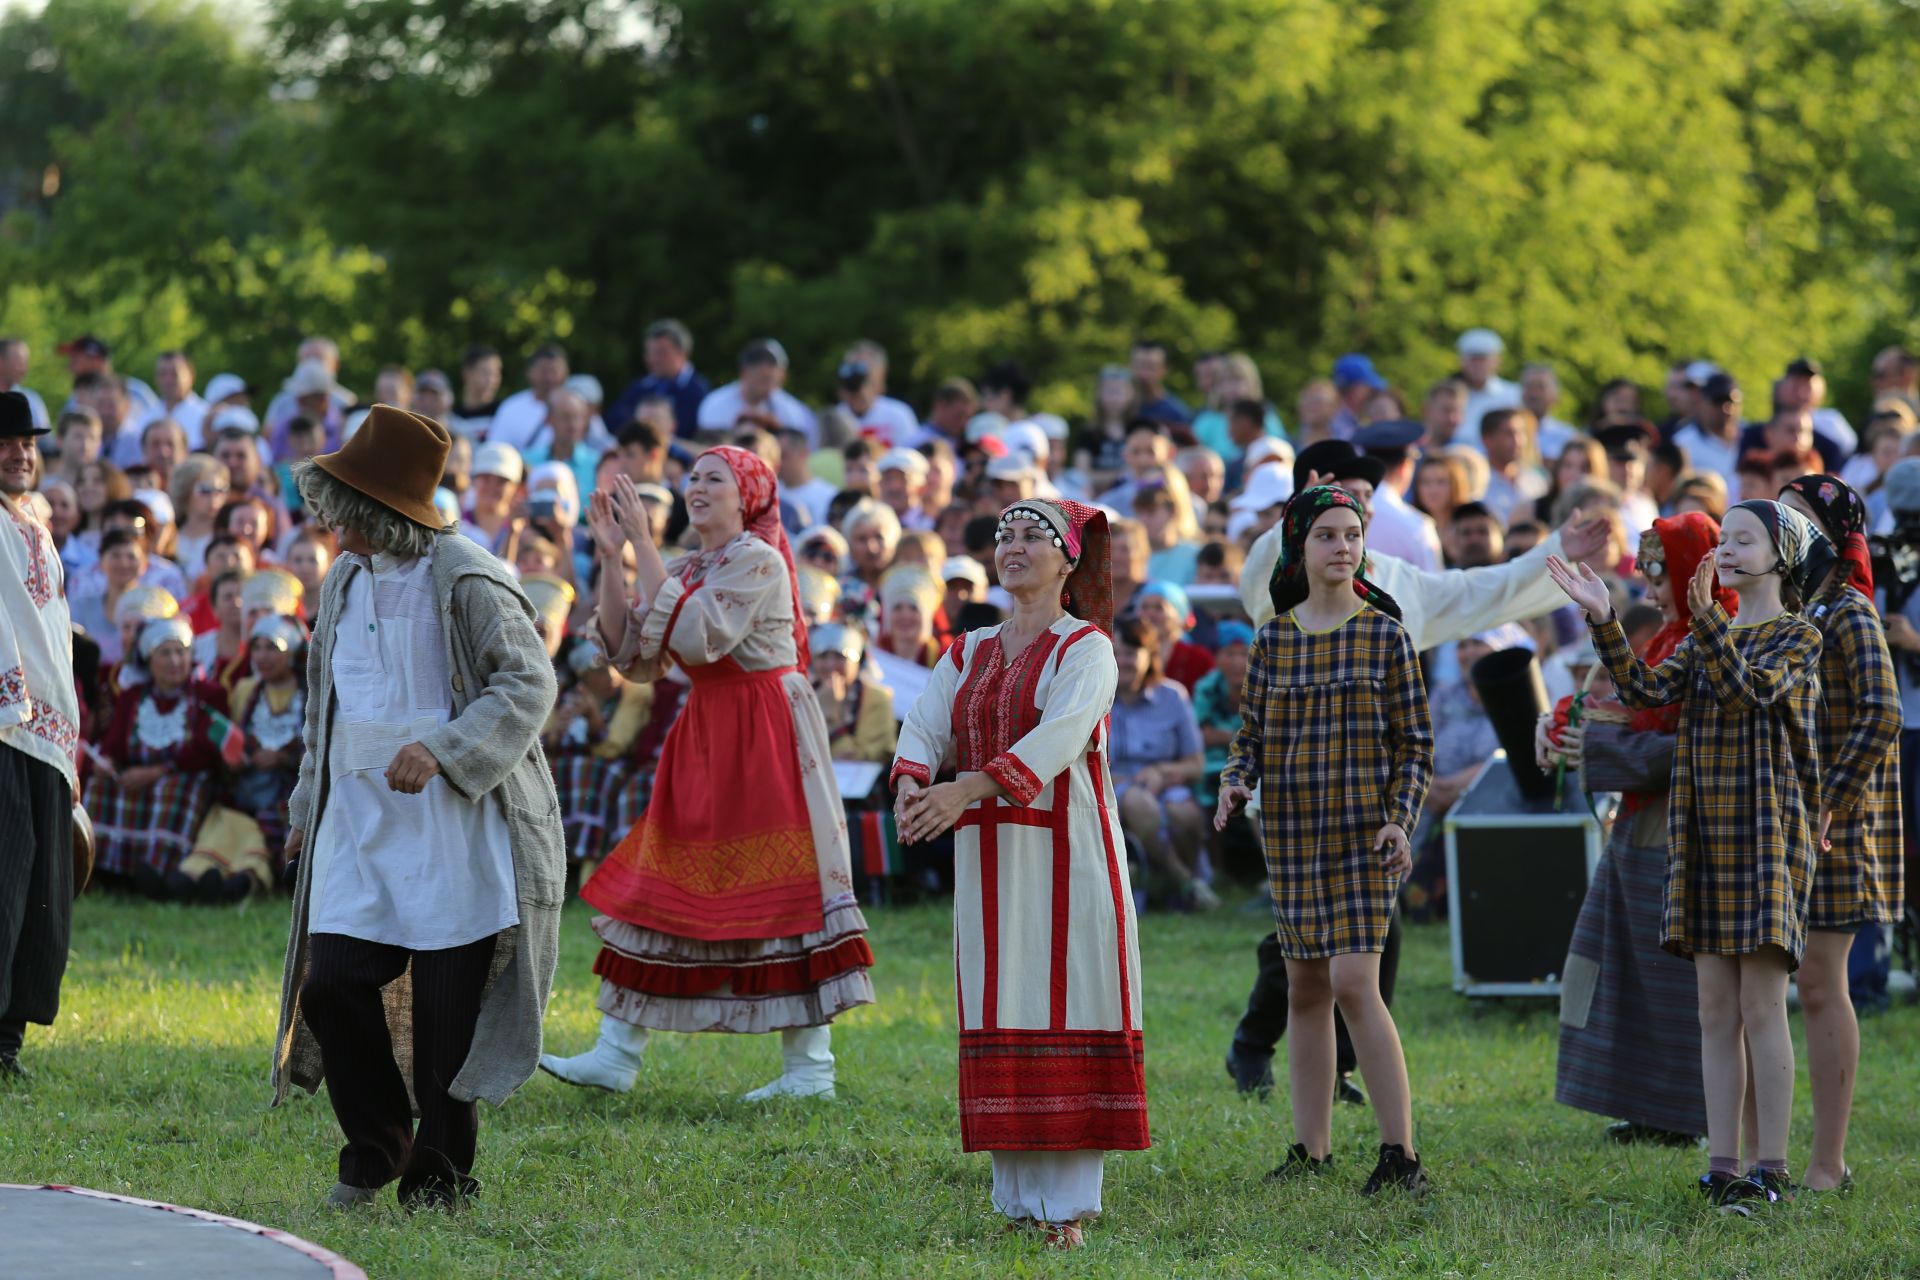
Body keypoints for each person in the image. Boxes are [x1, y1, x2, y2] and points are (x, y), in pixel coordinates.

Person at [1224, 441, 1609, 1097]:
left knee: (1356, 933)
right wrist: (1291, 516)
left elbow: (1482, 590)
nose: (1358, 515)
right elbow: (1260, 577)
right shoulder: (1279, 570)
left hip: (1371, 793)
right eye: (1336, 506)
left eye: (1364, 505)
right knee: (1317, 935)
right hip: (1295, 788)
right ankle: (1265, 1047)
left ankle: (1298, 1057)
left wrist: (1559, 549)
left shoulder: (1396, 582)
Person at [271, 404, 565, 1210]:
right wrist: (306, 803)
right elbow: (322, 708)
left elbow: (528, 683)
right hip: (359, 822)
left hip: (455, 827)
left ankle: (439, 1180)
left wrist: (444, 751)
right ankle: (376, 1147)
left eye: (339, 504)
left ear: (376, 511)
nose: (326, 519)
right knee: (330, 981)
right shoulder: (341, 579)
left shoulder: (468, 576)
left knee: (445, 1017)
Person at [540, 450, 875, 1098]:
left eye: (711, 478)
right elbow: (630, 654)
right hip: (709, 729)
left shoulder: (759, 558)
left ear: (747, 496)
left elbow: (697, 639)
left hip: (766, 727)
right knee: (662, 874)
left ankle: (810, 1071)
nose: (694, 487)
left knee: (785, 885)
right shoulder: (690, 565)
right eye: (690, 477)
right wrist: (614, 558)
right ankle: (616, 1051)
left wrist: (643, 543)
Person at [1549, 499, 1821, 1212]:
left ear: (1781, 555)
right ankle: (1722, 1167)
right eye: (1722, 538)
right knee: (1712, 1008)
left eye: (1744, 539)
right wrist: (1605, 618)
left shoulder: (1798, 637)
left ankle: (1772, 1170)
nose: (1726, 549)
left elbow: (1746, 693)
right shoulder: (1711, 632)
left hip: (1766, 837)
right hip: (1699, 835)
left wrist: (1705, 620)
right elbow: (1642, 691)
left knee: (1763, 1005)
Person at [890, 497, 1147, 1248]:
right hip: (988, 852)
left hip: (1070, 852)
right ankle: (1019, 1199)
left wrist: (963, 788)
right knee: (1003, 993)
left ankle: (1067, 1205)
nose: (1015, 545)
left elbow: (1062, 734)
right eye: (1005, 534)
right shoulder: (968, 649)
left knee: (1068, 993)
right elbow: (927, 721)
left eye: (1034, 534)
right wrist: (911, 783)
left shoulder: (1087, 648)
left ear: (1069, 559)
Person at [1216, 484, 1432, 1196]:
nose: (1343, 547)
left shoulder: (1387, 634)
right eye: (1327, 536)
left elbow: (1415, 746)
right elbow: (1250, 736)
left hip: (1367, 838)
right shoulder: (1274, 638)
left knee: (1351, 983)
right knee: (1304, 986)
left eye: (1352, 534)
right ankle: (1312, 1150)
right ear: (1298, 548)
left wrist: (1400, 817)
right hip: (1292, 835)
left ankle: (1401, 1156)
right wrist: (1235, 779)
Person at [1549, 515, 1725, 1147]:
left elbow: (1689, 743)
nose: (1651, 590)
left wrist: (1595, 745)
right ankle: (1648, 1107)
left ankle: (1682, 1116)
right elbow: (1630, 702)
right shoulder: (1672, 636)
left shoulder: (1716, 636)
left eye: (1660, 574)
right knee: (1617, 962)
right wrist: (1570, 727)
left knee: (1670, 977)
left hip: (1684, 828)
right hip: (1642, 824)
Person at [1776, 475, 1903, 1192]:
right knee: (1776, 988)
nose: (1782, 528)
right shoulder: (1791, 607)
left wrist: (1830, 800)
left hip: (1839, 827)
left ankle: (1828, 1163)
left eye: (1796, 518)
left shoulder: (1847, 608)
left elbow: (1882, 712)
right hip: (1788, 821)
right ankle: (1766, 1155)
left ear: (1830, 531)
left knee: (1822, 986)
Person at [0, 390, 79, 1078]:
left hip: (47, 735)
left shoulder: (36, 526)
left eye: (28, 442)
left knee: (41, 898)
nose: (19, 452)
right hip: (2, 727)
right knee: (3, 883)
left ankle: (8, 1043)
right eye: (6, 442)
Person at [83, 617, 229, 895]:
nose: (175, 661)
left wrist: (157, 772)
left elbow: (206, 750)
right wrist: (108, 764)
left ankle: (160, 875)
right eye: (166, 653)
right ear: (149, 660)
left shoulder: (208, 694)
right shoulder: (133, 696)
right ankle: (102, 870)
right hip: (138, 771)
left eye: (181, 652)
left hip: (181, 774)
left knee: (173, 791)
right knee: (100, 786)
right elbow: (115, 745)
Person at [1109, 615, 1215, 910]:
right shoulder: (1094, 698)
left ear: (1149, 655)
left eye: (1130, 653)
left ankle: (1169, 889)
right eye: (1115, 652)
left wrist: (1160, 772)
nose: (1123, 661)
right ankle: (1185, 883)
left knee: (1183, 812)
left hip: (1164, 784)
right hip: (1109, 789)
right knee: (1138, 803)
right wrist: (1132, 783)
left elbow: (1195, 764)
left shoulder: (1172, 696)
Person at [544, 643, 652, 870]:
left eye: (613, 667)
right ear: (585, 676)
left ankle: (586, 859)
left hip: (611, 767)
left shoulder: (632, 693)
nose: (611, 675)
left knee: (589, 772)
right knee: (554, 772)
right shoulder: (565, 694)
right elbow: (544, 742)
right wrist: (558, 733)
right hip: (569, 763)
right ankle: (553, 855)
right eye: (600, 670)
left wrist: (594, 718)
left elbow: (613, 747)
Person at [226, 614, 309, 885]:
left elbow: (319, 744)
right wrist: (239, 758)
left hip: (295, 786)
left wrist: (284, 758)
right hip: (251, 786)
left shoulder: (310, 692)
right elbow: (236, 737)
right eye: (257, 648)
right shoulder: (246, 690)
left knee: (278, 814)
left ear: (293, 651)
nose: (262, 657)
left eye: (272, 647)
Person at [696, 339, 818, 443]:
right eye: (763, 377)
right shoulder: (716, 404)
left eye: (771, 377)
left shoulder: (792, 411)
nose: (768, 384)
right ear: (744, 373)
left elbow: (799, 452)